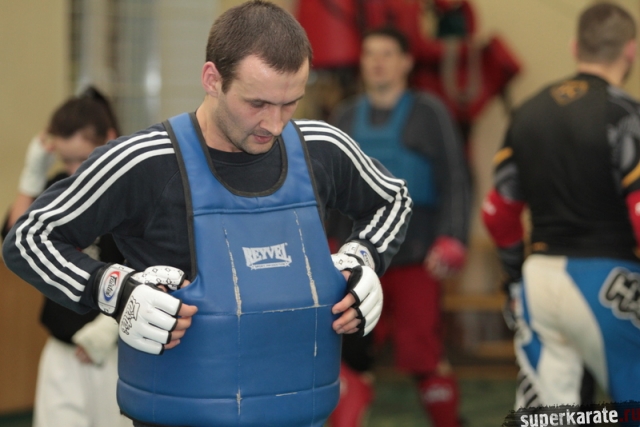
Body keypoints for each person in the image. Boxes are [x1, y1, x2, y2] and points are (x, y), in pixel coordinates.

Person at [2, 2, 412, 426]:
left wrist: (364, 258)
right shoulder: (145, 162)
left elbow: (393, 198)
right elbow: (29, 238)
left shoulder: (320, 147)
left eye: (290, 103)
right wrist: (111, 289)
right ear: (212, 79)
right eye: (257, 103)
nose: (274, 124)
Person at [482, 2, 640, 407]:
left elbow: (497, 213)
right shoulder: (627, 116)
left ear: (574, 47)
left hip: (539, 281)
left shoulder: (528, 113)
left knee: (551, 417)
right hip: (610, 281)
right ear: (631, 50)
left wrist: (514, 279)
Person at [326, 27, 471, 427]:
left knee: (423, 354)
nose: (377, 62)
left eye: (387, 53)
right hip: (357, 261)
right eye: (369, 53)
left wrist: (454, 237)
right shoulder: (344, 116)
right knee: (350, 355)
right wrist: (326, 243)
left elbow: (456, 178)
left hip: (417, 257)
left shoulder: (430, 112)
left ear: (406, 62)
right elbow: (328, 187)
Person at [1, 87, 132, 427]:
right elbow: (15, 241)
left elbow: (153, 266)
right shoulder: (59, 188)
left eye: (82, 159)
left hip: (116, 351)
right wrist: (32, 177)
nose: (74, 171)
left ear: (109, 140)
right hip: (61, 349)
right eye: (66, 160)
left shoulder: (130, 191)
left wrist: (112, 325)